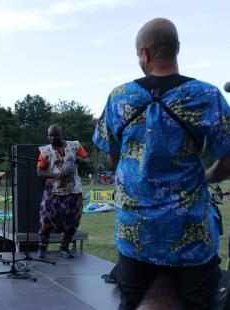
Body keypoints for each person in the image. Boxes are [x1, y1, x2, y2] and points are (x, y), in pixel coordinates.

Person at [92, 18, 230, 309]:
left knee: (130, 301)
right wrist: (207, 175)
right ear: (177, 48)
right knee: (201, 304)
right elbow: (227, 158)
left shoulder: (120, 98)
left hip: (135, 233)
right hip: (190, 234)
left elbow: (114, 157)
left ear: (144, 53)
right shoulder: (206, 95)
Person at [36, 124, 89, 259]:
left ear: (61, 134)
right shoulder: (45, 151)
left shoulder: (75, 145)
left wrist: (79, 160)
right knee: (46, 216)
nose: (53, 138)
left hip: (73, 189)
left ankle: (64, 247)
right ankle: (42, 247)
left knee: (73, 219)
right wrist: (54, 176)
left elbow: (87, 159)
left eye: (55, 135)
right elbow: (39, 172)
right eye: (50, 135)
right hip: (53, 189)